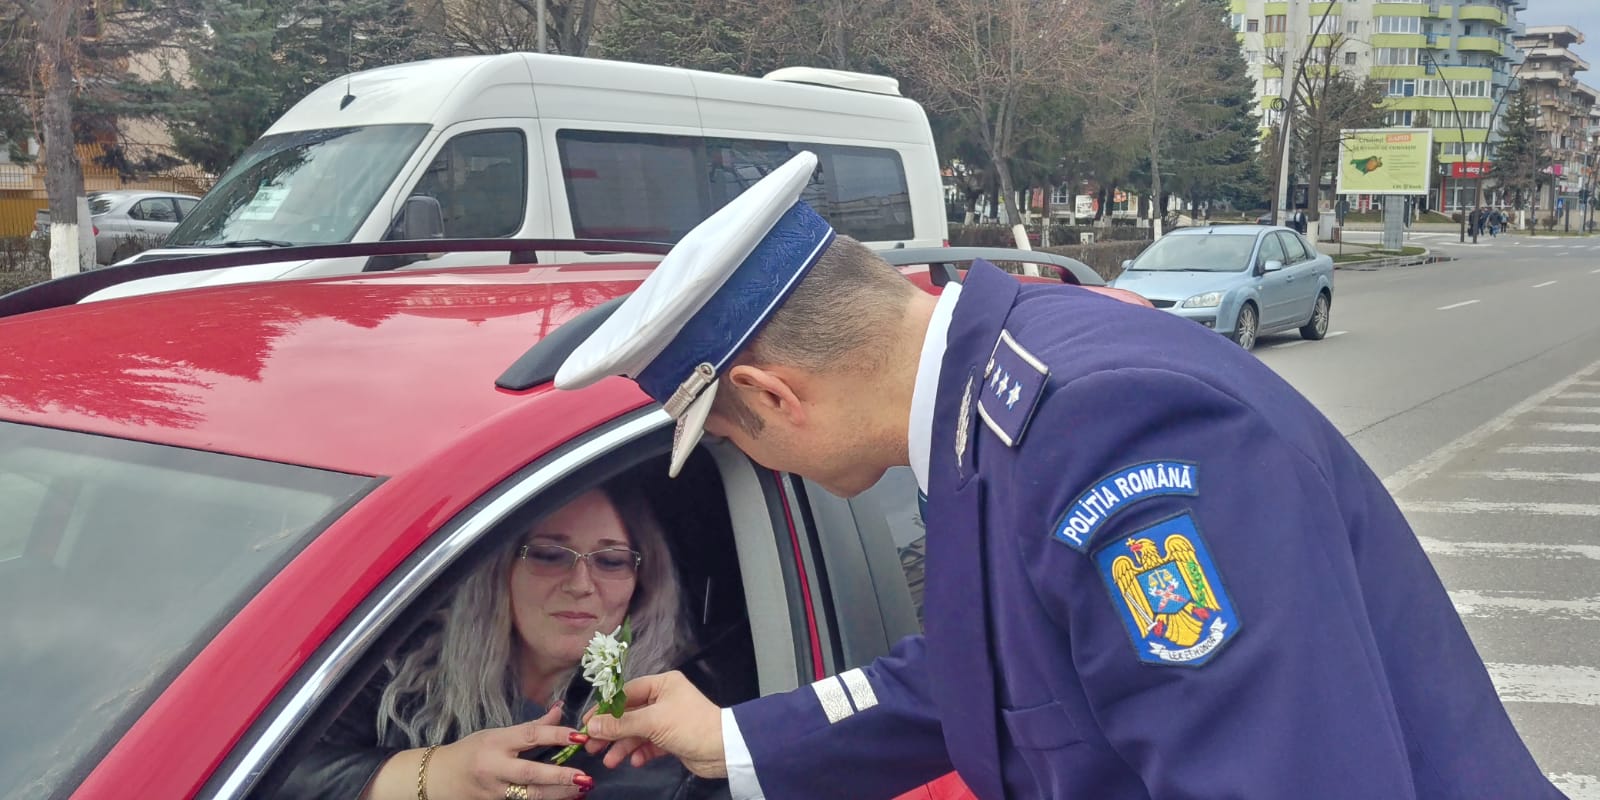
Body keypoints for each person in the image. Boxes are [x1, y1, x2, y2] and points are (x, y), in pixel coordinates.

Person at [551, 152, 1564, 799]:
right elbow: (989, 672)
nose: (760, 463)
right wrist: (732, 737)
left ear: (773, 397)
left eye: (736, 443)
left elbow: (1282, 773)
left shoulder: (1107, 431)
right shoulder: (999, 390)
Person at [275, 485, 715, 800]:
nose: (581, 584)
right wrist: (435, 775)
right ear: (501, 570)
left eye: (612, 561)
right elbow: (270, 771)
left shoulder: (669, 718)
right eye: (549, 555)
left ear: (642, 580)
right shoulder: (402, 664)